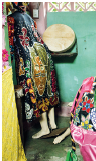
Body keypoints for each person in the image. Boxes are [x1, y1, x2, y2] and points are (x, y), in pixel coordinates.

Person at [7, 2, 61, 139]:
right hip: (44, 54)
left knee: (37, 92)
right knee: (49, 89)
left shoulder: (11, 18)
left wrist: (11, 60)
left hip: (28, 58)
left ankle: (44, 129)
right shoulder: (29, 18)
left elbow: (11, 43)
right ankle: (53, 124)